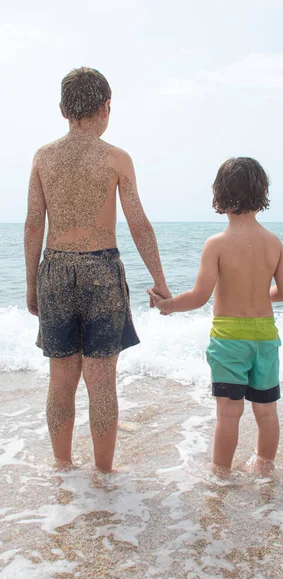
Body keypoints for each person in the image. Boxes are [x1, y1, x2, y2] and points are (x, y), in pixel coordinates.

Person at [24, 67, 171, 473]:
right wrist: (160, 280)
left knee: (61, 378)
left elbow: (34, 223)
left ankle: (62, 467)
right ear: (107, 107)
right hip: (102, 273)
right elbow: (139, 223)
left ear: (62, 110)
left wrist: (30, 284)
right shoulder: (117, 159)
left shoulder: (43, 157)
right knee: (101, 381)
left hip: (53, 269)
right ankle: (104, 473)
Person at [148, 157, 283, 474]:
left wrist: (168, 305)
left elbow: (200, 296)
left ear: (220, 194)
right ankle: (264, 468)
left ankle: (221, 476)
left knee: (229, 414)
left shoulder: (216, 244)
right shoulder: (274, 243)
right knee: (267, 412)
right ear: (263, 193)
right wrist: (260, 295)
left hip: (229, 340)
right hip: (266, 336)